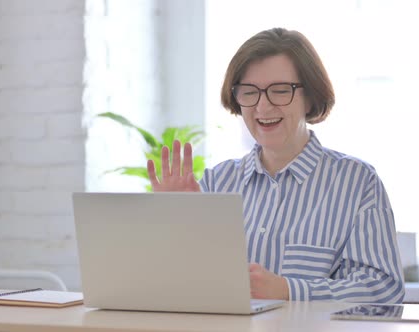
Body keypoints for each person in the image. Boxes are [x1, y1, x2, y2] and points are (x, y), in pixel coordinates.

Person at [147, 27, 404, 303]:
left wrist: (289, 290)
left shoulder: (357, 183)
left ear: (310, 96)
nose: (263, 108)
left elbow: (384, 289)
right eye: (249, 92)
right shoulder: (215, 183)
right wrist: (173, 224)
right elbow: (179, 287)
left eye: (280, 91)